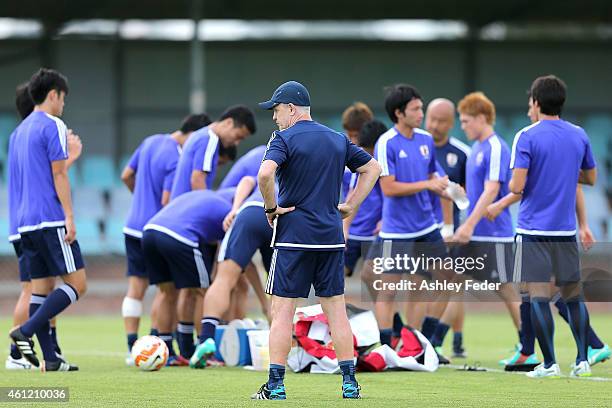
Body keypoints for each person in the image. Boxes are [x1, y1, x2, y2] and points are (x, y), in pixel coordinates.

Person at [253, 81, 380, 400]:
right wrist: (351, 205)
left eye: (277, 110)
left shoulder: (282, 139)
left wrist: (271, 208)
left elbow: (265, 174)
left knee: (282, 310)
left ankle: (276, 386)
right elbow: (373, 168)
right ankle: (350, 384)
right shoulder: (337, 138)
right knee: (336, 309)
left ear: (292, 108)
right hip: (330, 238)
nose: (275, 118)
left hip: (293, 236)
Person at [487, 75, 597, 378]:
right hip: (565, 230)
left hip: (533, 230)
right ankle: (582, 360)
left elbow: (517, 186)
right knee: (573, 295)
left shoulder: (526, 135)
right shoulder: (579, 134)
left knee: (536, 296)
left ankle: (549, 364)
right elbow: (589, 179)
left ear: (535, 102)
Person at [9, 68, 87, 372]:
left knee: (40, 291)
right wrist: (69, 215)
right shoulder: (52, 124)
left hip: (24, 223)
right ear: (53, 94)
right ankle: (24, 332)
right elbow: (58, 172)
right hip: (49, 219)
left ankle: (51, 359)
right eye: (63, 98)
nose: (63, 104)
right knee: (78, 284)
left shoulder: (18, 132)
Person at [120, 113, 211, 366]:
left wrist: (139, 197)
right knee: (167, 291)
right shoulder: (176, 157)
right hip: (156, 228)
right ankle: (155, 343)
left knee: (135, 290)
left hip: (131, 226)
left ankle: (132, 347)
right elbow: (167, 202)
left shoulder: (149, 141)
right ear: (194, 134)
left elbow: (126, 175)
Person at [372, 84, 451, 344]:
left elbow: (434, 175)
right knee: (388, 291)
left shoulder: (425, 140)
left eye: (421, 107)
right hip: (396, 231)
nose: (421, 113)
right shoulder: (387, 143)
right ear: (399, 112)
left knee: (445, 280)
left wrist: (450, 188)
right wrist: (428, 184)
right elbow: (389, 187)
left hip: (427, 227)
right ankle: (386, 346)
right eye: (415, 109)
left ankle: (420, 342)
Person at [190, 178, 273, 368]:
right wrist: (264, 303)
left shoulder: (271, 160)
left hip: (250, 211)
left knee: (223, 280)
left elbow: (247, 180)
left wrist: (235, 208)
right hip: (279, 218)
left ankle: (206, 340)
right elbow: (248, 266)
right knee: (281, 289)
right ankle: (285, 348)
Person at [142, 190, 230, 362]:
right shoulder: (230, 212)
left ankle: (169, 352)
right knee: (202, 292)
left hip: (149, 233)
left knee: (168, 293)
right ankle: (203, 350)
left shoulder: (205, 199)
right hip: (178, 236)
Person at [425, 98, 471, 357]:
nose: (435, 125)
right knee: (420, 287)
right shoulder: (417, 146)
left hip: (450, 233)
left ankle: (444, 340)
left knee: (453, 285)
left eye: (441, 121)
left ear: (452, 123)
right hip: (419, 230)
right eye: (431, 118)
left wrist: (455, 227)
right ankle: (424, 340)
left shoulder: (463, 153)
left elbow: (466, 196)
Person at [170, 105, 256, 199]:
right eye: (238, 136)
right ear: (228, 122)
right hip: (187, 208)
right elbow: (197, 179)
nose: (236, 143)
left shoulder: (200, 134)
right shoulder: (210, 139)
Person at [342, 119, 386, 279]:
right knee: (333, 276)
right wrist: (344, 229)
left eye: (370, 151)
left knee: (372, 277)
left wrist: (385, 220)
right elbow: (353, 196)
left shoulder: (388, 160)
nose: (367, 155)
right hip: (354, 232)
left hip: (379, 234)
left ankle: (379, 305)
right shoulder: (361, 161)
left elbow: (393, 196)